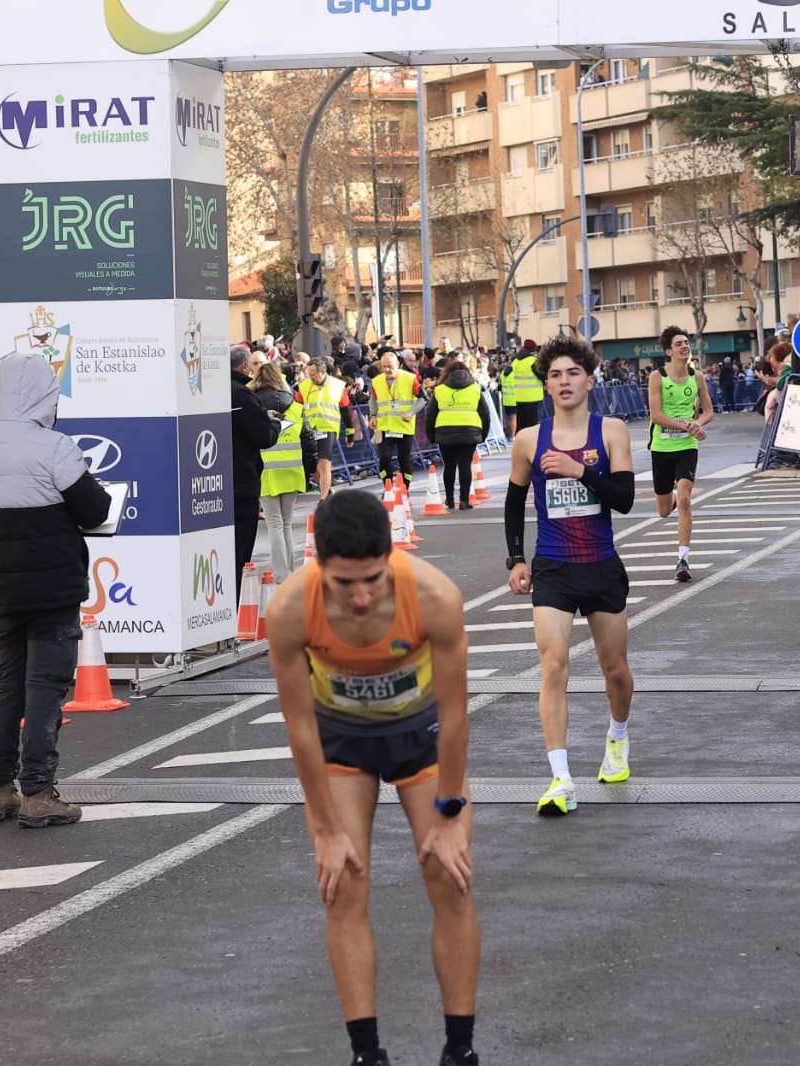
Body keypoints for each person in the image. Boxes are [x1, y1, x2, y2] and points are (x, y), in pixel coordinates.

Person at [265, 491, 479, 1066]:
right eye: (343, 584)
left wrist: (451, 811)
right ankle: (367, 1054)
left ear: (392, 556)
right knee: (342, 885)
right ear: (318, 565)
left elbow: (458, 713)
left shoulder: (434, 596)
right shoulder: (289, 609)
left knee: (450, 878)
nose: (360, 598)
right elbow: (300, 728)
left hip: (423, 735)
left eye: (373, 580)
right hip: (342, 742)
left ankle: (460, 1050)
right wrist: (325, 827)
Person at [0, 353, 111, 828]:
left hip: (4, 586)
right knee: (46, 688)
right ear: (43, 394)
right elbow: (95, 509)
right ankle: (40, 791)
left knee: (9, 689)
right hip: (55, 586)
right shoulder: (54, 448)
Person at [504, 336, 636, 816]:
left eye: (572, 373)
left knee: (615, 671)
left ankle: (617, 737)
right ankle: (561, 779)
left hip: (600, 563)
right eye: (555, 375)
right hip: (554, 567)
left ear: (590, 380)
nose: (564, 381)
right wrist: (515, 559)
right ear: (546, 384)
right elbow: (515, 501)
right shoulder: (529, 440)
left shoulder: (612, 431)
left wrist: (580, 470)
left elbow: (622, 498)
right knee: (553, 665)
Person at [647, 326, 714, 582]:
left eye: (686, 342)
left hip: (686, 447)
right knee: (664, 510)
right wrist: (686, 424)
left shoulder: (697, 377)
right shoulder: (658, 377)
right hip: (661, 448)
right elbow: (657, 415)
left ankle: (683, 558)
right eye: (679, 343)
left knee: (685, 498)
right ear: (668, 351)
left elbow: (708, 411)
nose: (685, 346)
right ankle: (672, 499)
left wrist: (699, 424)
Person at [231, 344, 279, 598]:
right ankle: (235, 607)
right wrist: (274, 425)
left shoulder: (216, 391)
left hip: (217, 484)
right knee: (240, 552)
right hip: (243, 482)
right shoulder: (242, 395)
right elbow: (262, 436)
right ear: (244, 367)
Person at [426, 357, 490, 511]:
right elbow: (485, 414)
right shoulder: (475, 389)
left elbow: (430, 415)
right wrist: (483, 434)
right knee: (464, 466)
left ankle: (449, 499)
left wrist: (431, 435)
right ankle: (464, 500)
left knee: (449, 466)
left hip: (445, 432)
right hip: (469, 432)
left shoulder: (439, 390)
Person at [260, 385, 310, 581]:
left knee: (274, 524)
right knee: (286, 523)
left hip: (266, 472)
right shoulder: (296, 407)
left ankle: (281, 573)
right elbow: (308, 439)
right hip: (292, 470)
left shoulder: (256, 408)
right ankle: (289, 570)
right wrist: (310, 467)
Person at [298, 356, 355, 499]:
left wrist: (350, 432)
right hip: (310, 430)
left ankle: (323, 499)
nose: (310, 377)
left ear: (323, 371)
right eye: (308, 374)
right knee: (314, 468)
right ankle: (327, 491)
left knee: (324, 464)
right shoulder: (304, 386)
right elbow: (297, 408)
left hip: (328, 428)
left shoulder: (338, 386)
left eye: (313, 374)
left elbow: (345, 411)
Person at [370, 352, 422, 490]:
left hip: (404, 426)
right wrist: (373, 415)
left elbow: (423, 399)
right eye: (384, 366)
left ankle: (405, 489)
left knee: (404, 459)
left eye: (390, 366)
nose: (387, 369)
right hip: (384, 426)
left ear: (398, 365)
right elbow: (373, 399)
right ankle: (387, 488)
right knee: (384, 458)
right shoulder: (377, 381)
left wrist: (411, 413)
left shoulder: (410, 379)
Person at [508, 338, 543, 432]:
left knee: (521, 427)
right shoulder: (533, 361)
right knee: (532, 427)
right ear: (533, 350)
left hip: (517, 398)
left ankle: (521, 445)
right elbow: (542, 375)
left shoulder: (515, 361)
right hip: (532, 398)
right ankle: (532, 446)